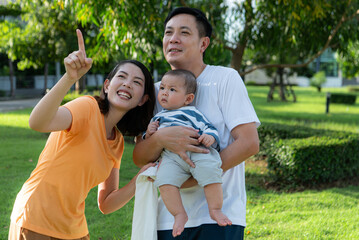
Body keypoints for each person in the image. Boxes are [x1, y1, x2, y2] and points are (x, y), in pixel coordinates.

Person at [8, 29, 156, 240]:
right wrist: (69, 78)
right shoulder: (88, 107)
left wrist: (138, 180)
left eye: (137, 82)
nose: (127, 84)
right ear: (107, 85)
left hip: (74, 227)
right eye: (121, 77)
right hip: (36, 217)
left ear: (142, 99)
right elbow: (38, 122)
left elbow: (106, 203)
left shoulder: (118, 142)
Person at [133, 7, 260, 240]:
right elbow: (140, 157)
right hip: (168, 220)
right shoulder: (157, 92)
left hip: (219, 219)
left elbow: (249, 143)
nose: (173, 39)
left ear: (203, 44)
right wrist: (161, 138)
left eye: (184, 32)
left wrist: (197, 176)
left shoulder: (224, 79)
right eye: (168, 32)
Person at [145, 69, 232, 237]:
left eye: (172, 90)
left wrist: (209, 137)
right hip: (171, 157)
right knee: (164, 181)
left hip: (196, 150)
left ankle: (215, 209)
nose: (164, 93)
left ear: (188, 98)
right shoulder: (158, 118)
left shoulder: (192, 112)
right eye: (162, 88)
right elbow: (150, 140)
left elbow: (210, 128)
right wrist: (149, 132)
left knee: (211, 172)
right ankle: (179, 214)